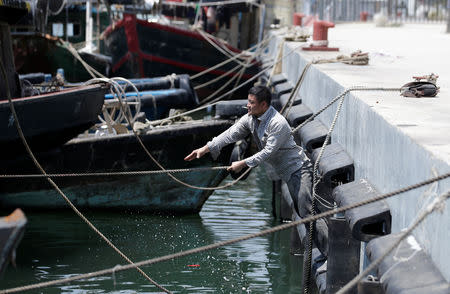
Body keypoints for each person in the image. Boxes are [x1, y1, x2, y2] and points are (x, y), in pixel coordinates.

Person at [184, 85, 312, 217]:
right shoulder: (250, 118)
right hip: (286, 173)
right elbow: (230, 134)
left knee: (307, 216)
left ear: (263, 105)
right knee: (303, 215)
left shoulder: (277, 123)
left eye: (252, 102)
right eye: (248, 101)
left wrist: (242, 163)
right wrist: (205, 149)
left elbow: (267, 152)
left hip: (298, 171)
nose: (248, 105)